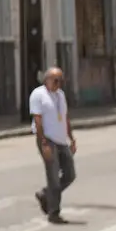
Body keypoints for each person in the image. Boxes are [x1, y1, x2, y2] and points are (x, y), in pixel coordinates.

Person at [29, 66, 76, 223]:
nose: (58, 84)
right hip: (47, 139)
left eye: (61, 81)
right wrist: (43, 143)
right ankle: (54, 213)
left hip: (61, 140)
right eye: (55, 80)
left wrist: (72, 138)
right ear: (47, 80)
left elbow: (65, 117)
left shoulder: (60, 95)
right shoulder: (38, 95)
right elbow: (37, 120)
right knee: (54, 177)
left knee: (70, 174)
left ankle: (45, 194)